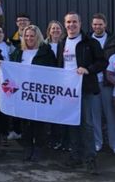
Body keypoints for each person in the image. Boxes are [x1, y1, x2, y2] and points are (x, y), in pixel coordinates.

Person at [57, 11, 106, 174]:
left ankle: (90, 159)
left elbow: (102, 61)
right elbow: (59, 65)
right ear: (65, 24)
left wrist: (88, 69)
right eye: (68, 22)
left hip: (84, 88)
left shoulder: (89, 42)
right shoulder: (62, 42)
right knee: (72, 123)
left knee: (87, 124)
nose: (71, 25)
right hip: (67, 90)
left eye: (74, 22)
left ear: (80, 24)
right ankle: (75, 156)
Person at [9, 25, 57, 161]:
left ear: (38, 37)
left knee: (39, 122)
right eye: (27, 36)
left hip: (39, 93)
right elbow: (11, 68)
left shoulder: (46, 51)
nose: (29, 38)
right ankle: (28, 147)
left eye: (32, 36)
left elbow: (53, 71)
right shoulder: (18, 52)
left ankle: (39, 148)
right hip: (23, 93)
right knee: (25, 122)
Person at [89, 13, 115, 154]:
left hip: (108, 83)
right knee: (94, 115)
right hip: (93, 82)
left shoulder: (114, 40)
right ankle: (97, 142)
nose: (97, 27)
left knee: (112, 114)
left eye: (100, 24)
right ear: (92, 25)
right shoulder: (87, 40)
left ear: (105, 25)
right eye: (95, 24)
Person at [44, 20, 69, 151]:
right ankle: (51, 139)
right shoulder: (43, 44)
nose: (55, 31)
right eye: (53, 29)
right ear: (49, 30)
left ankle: (62, 139)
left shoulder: (65, 44)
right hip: (48, 83)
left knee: (62, 112)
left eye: (58, 28)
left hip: (62, 83)